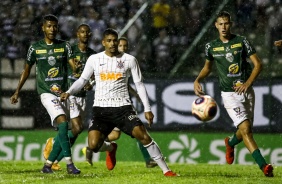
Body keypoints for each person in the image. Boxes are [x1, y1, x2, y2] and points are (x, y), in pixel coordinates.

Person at [60, 28, 178, 177]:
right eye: (109, 41)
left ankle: (166, 170)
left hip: (123, 108)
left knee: (143, 136)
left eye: (114, 40)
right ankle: (110, 148)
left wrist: (147, 109)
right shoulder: (94, 59)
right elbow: (83, 80)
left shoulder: (129, 60)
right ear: (103, 42)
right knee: (93, 145)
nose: (112, 43)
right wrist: (69, 92)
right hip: (100, 109)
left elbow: (139, 85)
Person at [193, 11, 273, 177]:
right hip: (229, 94)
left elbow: (258, 64)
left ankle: (229, 142)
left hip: (247, 91)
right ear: (216, 25)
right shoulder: (211, 46)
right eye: (220, 24)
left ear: (231, 24)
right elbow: (207, 68)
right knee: (246, 129)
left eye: (226, 23)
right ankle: (264, 166)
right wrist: (197, 80)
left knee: (245, 129)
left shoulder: (241, 41)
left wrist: (247, 84)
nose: (224, 27)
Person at [10, 14, 81, 174]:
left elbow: (72, 66)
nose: (52, 29)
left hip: (64, 93)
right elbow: (26, 70)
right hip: (46, 92)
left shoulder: (65, 46)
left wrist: (76, 67)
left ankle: (48, 164)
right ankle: (69, 164)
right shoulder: (35, 48)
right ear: (43, 28)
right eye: (49, 26)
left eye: (55, 26)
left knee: (77, 127)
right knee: (63, 123)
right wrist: (17, 91)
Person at [83, 37, 157, 168]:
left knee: (116, 134)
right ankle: (148, 159)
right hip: (114, 104)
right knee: (139, 131)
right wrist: (89, 84)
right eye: (121, 45)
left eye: (126, 45)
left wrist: (137, 96)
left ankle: (102, 145)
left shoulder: (127, 60)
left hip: (124, 103)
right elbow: (98, 79)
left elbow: (128, 84)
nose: (123, 48)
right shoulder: (108, 61)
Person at [43, 23, 97, 171]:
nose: (85, 34)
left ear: (90, 35)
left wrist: (90, 84)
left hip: (82, 96)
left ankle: (53, 158)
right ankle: (54, 146)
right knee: (77, 126)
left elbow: (95, 76)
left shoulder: (93, 55)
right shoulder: (70, 50)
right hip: (70, 93)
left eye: (87, 32)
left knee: (76, 130)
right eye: (82, 32)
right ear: (77, 35)